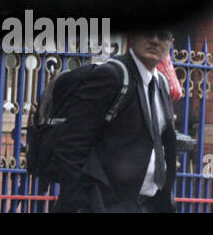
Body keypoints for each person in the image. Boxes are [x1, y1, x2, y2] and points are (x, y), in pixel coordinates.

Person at [49, 29, 179, 213]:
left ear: (171, 42)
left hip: (148, 204)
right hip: (104, 205)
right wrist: (84, 202)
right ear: (132, 35)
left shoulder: (162, 84)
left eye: (163, 35)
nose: (154, 40)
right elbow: (70, 145)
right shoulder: (112, 75)